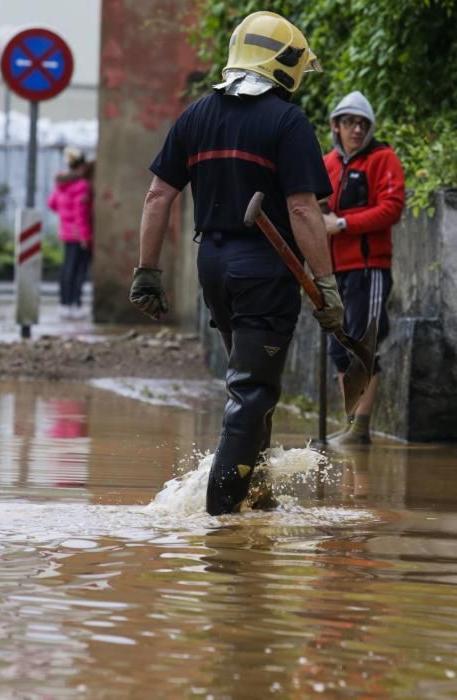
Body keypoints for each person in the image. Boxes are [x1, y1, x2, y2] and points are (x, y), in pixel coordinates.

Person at [129, 11, 344, 515]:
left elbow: (157, 196)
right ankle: (220, 524)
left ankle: (258, 501)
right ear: (283, 62)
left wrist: (148, 271)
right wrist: (327, 284)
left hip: (215, 265)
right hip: (264, 269)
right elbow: (301, 208)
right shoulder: (286, 120)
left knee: (252, 383)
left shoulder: (196, 115)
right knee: (251, 393)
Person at [322, 91, 405, 444]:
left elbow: (392, 208)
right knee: (339, 349)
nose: (356, 129)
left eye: (362, 124)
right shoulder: (327, 163)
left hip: (369, 268)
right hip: (333, 270)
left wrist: (342, 224)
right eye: (349, 123)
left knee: (363, 344)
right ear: (336, 126)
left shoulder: (383, 158)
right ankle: (349, 423)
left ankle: (361, 428)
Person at [48, 146, 94, 319]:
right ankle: (74, 304)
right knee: (79, 270)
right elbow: (81, 214)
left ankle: (64, 303)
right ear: (82, 166)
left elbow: (52, 203)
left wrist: (65, 217)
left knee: (67, 268)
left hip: (66, 232)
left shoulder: (62, 183)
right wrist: (84, 237)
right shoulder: (82, 185)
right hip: (78, 234)